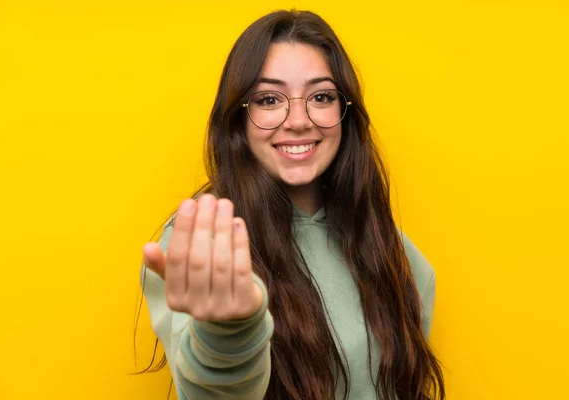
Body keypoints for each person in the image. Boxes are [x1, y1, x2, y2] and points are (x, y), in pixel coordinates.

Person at [139, 8, 445, 400]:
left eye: (320, 96)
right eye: (269, 99)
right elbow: (209, 392)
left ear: (344, 112)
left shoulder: (391, 249)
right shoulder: (205, 243)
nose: (298, 120)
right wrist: (229, 332)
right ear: (239, 118)